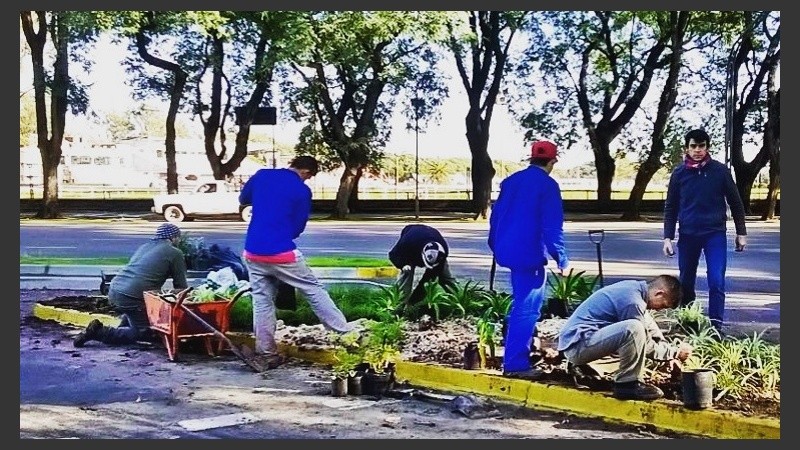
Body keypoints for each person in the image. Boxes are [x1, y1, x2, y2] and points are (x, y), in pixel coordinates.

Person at [239, 155, 354, 370]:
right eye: (308, 177)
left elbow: (243, 198)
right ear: (306, 172)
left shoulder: (262, 175)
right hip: (281, 251)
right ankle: (345, 334)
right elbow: (298, 226)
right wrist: (283, 235)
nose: (306, 180)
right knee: (312, 289)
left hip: (252, 251)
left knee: (261, 300)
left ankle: (266, 352)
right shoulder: (301, 190)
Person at [488, 140, 569, 380]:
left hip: (508, 251)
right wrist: (562, 259)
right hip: (529, 254)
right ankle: (515, 363)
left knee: (520, 304)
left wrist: (496, 245)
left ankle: (522, 349)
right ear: (552, 161)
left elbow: (496, 218)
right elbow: (552, 227)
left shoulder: (510, 182)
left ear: (531, 158)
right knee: (527, 308)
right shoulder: (548, 185)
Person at [662, 128, 748, 332]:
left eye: (701, 146)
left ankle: (716, 328)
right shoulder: (679, 174)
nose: (698, 150)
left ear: (707, 147)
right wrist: (667, 237)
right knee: (686, 282)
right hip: (688, 235)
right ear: (687, 148)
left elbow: (735, 202)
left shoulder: (720, 171)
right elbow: (671, 206)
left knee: (716, 281)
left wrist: (741, 233)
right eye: (693, 146)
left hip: (714, 235)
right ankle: (688, 325)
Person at [557, 275, 693, 401]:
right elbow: (646, 344)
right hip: (577, 346)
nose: (660, 310)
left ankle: (586, 369)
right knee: (633, 328)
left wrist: (665, 348)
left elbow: (649, 325)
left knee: (636, 331)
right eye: (663, 305)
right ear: (659, 293)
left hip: (581, 342)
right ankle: (627, 384)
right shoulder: (633, 302)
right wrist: (675, 352)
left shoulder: (635, 290)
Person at [74, 223, 189, 348]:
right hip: (132, 296)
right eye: (179, 238)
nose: (179, 241)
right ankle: (99, 332)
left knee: (134, 313)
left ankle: (119, 330)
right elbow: (181, 287)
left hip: (115, 289)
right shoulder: (175, 252)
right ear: (173, 237)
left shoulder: (145, 247)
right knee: (143, 331)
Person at [388, 224, 457, 307]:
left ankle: (458, 300)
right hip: (412, 245)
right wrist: (402, 265)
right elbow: (393, 255)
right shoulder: (407, 243)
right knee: (406, 273)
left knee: (446, 277)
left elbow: (427, 280)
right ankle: (398, 304)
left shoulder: (443, 252)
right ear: (423, 255)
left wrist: (414, 301)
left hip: (430, 235)